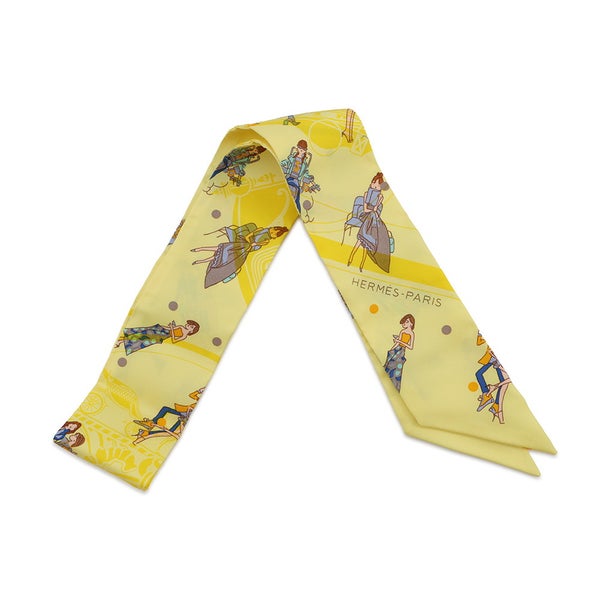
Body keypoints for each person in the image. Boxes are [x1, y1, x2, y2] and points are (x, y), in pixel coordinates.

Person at [191, 224, 288, 288]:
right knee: (222, 249)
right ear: (272, 228)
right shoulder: (261, 229)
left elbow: (253, 246)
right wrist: (249, 240)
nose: (272, 233)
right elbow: (247, 237)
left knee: (222, 254)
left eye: (274, 234)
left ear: (275, 237)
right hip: (243, 242)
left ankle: (200, 260)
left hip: (246, 248)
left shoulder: (266, 241)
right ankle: (199, 251)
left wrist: (250, 242)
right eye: (273, 231)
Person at [346, 172, 392, 273]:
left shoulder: (380, 197)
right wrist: (373, 209)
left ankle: (361, 266)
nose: (375, 185)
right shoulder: (367, 194)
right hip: (366, 216)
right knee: (360, 241)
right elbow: (365, 210)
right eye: (373, 182)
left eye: (378, 184)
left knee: (366, 245)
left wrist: (377, 205)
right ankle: (350, 259)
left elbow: (377, 212)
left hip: (373, 219)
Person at [114, 320, 199, 355]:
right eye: (190, 324)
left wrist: (172, 328)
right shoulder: (181, 327)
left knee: (144, 338)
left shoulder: (184, 336)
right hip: (162, 330)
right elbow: (170, 328)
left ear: (192, 331)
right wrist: (163, 327)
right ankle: (121, 340)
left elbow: (173, 340)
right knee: (143, 332)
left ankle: (121, 341)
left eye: (191, 327)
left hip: (165, 335)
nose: (189, 325)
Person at [280, 140, 319, 212]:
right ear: (297, 148)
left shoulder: (304, 164)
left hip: (296, 180)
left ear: (305, 150)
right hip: (289, 177)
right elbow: (286, 162)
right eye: (300, 148)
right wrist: (280, 165)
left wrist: (310, 180)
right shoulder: (292, 158)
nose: (301, 150)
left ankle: (297, 212)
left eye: (303, 149)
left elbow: (306, 173)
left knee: (296, 196)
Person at [384, 314, 416, 392]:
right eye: (404, 322)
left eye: (407, 321)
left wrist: (400, 341)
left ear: (411, 323)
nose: (405, 323)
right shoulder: (402, 331)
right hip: (396, 350)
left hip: (401, 352)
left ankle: (394, 387)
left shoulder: (411, 333)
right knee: (389, 365)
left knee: (397, 369)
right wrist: (391, 350)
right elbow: (397, 343)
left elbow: (410, 346)